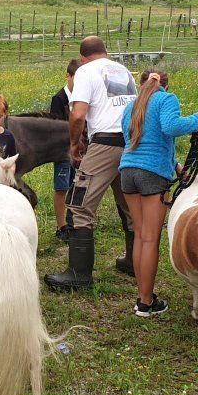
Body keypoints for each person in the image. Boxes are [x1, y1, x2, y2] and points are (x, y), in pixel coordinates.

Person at [45, 36, 137, 291]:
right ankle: (134, 261)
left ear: (83, 57)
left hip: (105, 142)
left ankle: (79, 273)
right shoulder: (123, 70)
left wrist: (75, 145)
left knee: (80, 205)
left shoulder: (85, 71)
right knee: (128, 203)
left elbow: (77, 114)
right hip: (132, 142)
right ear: (105, 52)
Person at [119, 69, 198, 317]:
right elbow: (170, 127)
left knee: (139, 236)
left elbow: (137, 140)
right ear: (165, 86)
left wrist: (176, 165)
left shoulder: (131, 106)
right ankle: (146, 303)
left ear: (141, 84)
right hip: (152, 175)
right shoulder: (167, 99)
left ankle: (142, 296)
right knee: (150, 239)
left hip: (127, 171)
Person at [50, 58, 83, 244]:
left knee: (78, 186)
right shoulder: (59, 99)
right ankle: (61, 225)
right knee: (62, 187)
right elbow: (54, 127)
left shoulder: (82, 98)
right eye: (75, 80)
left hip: (80, 150)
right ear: (68, 76)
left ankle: (75, 222)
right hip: (63, 151)